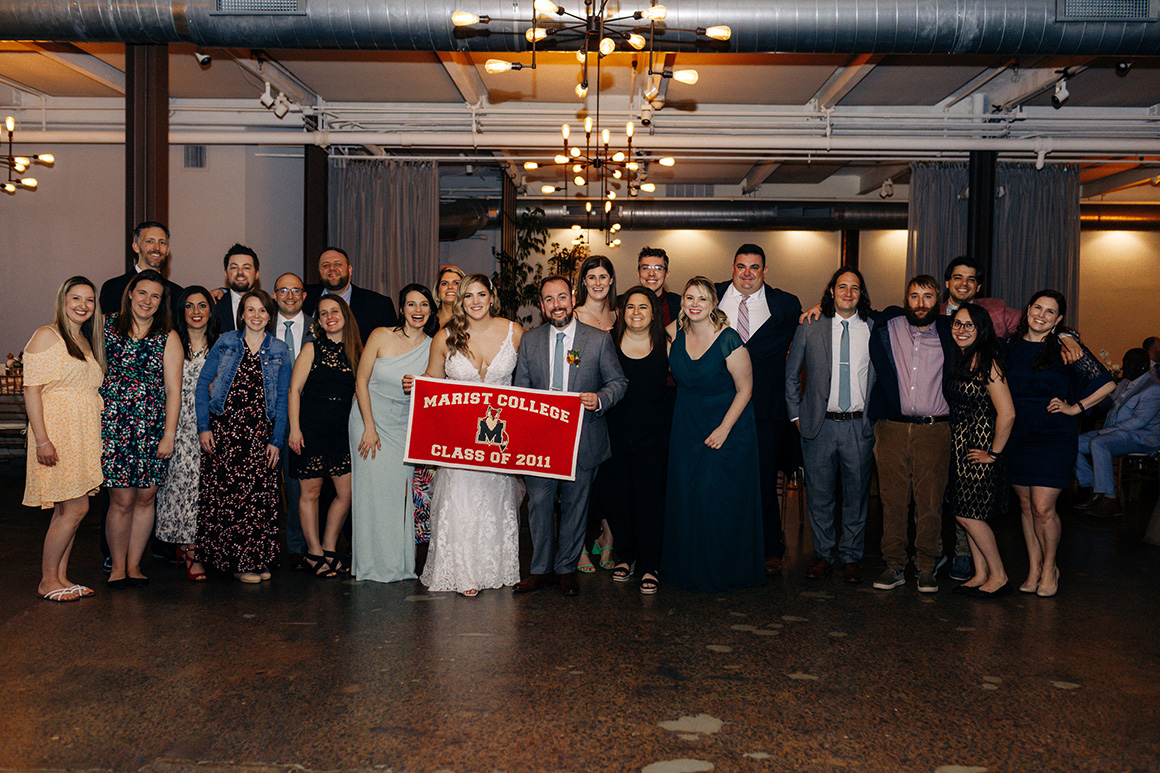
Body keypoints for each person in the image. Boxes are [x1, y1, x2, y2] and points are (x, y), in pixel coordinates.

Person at [512, 275, 628, 597]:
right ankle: (540, 570)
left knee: (576, 506)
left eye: (561, 297)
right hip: (540, 442)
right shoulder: (531, 341)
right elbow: (520, 390)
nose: (556, 305)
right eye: (549, 300)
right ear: (541, 305)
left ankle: (565, 569)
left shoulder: (598, 340)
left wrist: (600, 399)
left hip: (583, 437)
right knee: (539, 504)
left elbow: (618, 382)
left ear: (572, 298)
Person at [413, 274, 525, 597]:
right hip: (459, 438)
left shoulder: (514, 332)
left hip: (498, 438)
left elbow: (529, 381)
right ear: (460, 301)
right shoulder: (445, 337)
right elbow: (432, 381)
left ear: (492, 297)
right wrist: (416, 385)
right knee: (460, 498)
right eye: (467, 296)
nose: (475, 301)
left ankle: (497, 567)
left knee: (495, 499)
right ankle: (463, 573)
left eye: (481, 294)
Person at [1005, 289, 1114, 598]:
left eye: (1050, 312)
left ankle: (1051, 566)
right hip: (1018, 433)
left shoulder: (1067, 348)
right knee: (1026, 506)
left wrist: (1075, 408)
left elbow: (1106, 383)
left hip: (1053, 435)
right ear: (1027, 310)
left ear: (1059, 319)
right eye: (1037, 307)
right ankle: (1034, 567)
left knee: (1043, 507)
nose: (1041, 314)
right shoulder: (1010, 346)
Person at [661, 277, 764, 592]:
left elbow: (745, 389)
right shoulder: (672, 334)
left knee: (714, 499)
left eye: (702, 299)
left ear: (713, 304)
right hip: (686, 426)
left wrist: (723, 429)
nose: (694, 304)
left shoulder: (729, 338)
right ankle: (688, 570)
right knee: (686, 495)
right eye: (689, 298)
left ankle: (721, 571)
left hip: (726, 427)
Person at [715, 244, 802, 576]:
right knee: (721, 478)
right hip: (719, 405)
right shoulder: (712, 295)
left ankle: (769, 548)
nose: (747, 273)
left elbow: (806, 326)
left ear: (765, 271)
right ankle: (723, 543)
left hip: (766, 408)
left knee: (764, 480)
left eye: (754, 267)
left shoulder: (786, 304)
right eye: (741, 266)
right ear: (732, 268)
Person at [868, 275, 958, 594]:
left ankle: (926, 566)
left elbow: (998, 332)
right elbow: (848, 307)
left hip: (936, 429)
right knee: (892, 501)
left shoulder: (952, 331)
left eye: (928, 297)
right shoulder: (888, 325)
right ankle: (894, 565)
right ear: (905, 300)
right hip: (891, 427)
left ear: (939, 300)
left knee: (930, 503)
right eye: (914, 296)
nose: (920, 303)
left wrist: (1066, 334)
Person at [195, 289, 293, 584]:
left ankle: (256, 559)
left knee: (259, 502)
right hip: (225, 433)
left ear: (269, 316)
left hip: (259, 435)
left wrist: (276, 440)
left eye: (262, 310)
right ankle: (238, 564)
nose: (256, 316)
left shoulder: (279, 350)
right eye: (250, 310)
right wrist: (204, 427)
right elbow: (202, 386)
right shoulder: (225, 342)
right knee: (230, 499)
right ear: (242, 314)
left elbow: (283, 400)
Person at [785, 267, 875, 584]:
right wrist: (796, 415)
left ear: (861, 293)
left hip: (858, 427)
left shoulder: (875, 328)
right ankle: (824, 555)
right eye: (842, 286)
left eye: (855, 287)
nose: (848, 292)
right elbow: (791, 374)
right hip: (818, 426)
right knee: (819, 496)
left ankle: (850, 556)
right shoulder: (811, 326)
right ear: (832, 291)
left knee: (856, 497)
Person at [23, 276, 106, 602]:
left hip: (83, 434)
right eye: (76, 298)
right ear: (63, 300)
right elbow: (31, 389)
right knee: (75, 508)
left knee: (67, 510)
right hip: (57, 432)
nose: (83, 305)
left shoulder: (84, 340)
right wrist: (42, 440)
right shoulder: (47, 335)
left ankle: (60, 577)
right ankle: (47, 580)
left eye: (89, 300)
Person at [350, 284, 438, 583]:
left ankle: (400, 565)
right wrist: (370, 428)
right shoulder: (380, 335)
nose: (417, 310)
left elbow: (435, 390)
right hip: (368, 420)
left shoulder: (433, 345)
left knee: (400, 496)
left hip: (403, 425)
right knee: (371, 493)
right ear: (401, 308)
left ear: (431, 309)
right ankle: (370, 565)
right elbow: (361, 382)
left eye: (424, 304)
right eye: (411, 304)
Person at [100, 269, 183, 589]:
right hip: (115, 426)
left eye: (155, 296)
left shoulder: (168, 336)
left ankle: (135, 566)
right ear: (130, 294)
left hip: (153, 427)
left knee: (146, 499)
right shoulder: (106, 327)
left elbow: (173, 390)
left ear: (161, 302)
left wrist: (169, 434)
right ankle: (117, 567)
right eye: (143, 293)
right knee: (121, 500)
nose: (148, 300)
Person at [603, 287, 671, 594]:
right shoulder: (608, 343)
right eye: (630, 306)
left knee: (649, 502)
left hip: (654, 437)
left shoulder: (667, 345)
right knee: (617, 499)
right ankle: (626, 556)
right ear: (621, 312)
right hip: (613, 435)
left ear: (654, 313)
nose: (637, 312)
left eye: (644, 307)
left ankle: (649, 564)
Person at [287, 295, 361, 577]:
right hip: (311, 430)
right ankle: (314, 552)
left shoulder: (358, 351)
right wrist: (295, 429)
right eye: (323, 313)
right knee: (311, 493)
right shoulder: (311, 349)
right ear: (318, 321)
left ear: (345, 314)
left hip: (343, 433)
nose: (330, 316)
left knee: (346, 493)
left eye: (335, 311)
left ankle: (330, 547)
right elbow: (295, 390)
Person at [945, 304, 1016, 598]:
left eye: (969, 325)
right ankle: (980, 573)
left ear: (982, 329)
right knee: (965, 513)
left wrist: (994, 454)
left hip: (979, 448)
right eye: (957, 324)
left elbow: (1008, 413)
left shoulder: (989, 362)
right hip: (961, 447)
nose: (961, 330)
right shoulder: (962, 358)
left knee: (970, 515)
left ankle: (999, 576)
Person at [154, 286, 219, 582]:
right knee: (181, 489)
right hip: (178, 426)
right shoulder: (171, 341)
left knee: (207, 491)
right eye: (189, 306)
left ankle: (205, 547)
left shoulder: (222, 345)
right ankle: (188, 549)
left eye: (202, 305)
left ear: (210, 311)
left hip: (210, 427)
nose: (196, 312)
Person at [1073, 348, 1160, 517]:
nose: (1125, 366)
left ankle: (1110, 500)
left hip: (1142, 437)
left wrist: (1105, 431)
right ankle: (1093, 487)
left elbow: (1138, 422)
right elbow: (1109, 404)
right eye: (1124, 361)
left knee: (1099, 443)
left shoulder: (1154, 388)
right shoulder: (1124, 383)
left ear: (1143, 365)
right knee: (1071, 442)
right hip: (1116, 433)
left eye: (1130, 362)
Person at [574, 255, 617, 573]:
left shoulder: (623, 314)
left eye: (604, 277)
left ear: (611, 281)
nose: (598, 283)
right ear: (583, 282)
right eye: (592, 277)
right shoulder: (574, 316)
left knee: (612, 480)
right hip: (582, 408)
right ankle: (578, 547)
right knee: (581, 482)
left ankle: (608, 536)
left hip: (617, 405)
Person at [272, 272, 313, 564]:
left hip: (305, 419)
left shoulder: (319, 326)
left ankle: (298, 549)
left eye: (295, 290)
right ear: (274, 295)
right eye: (283, 290)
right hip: (266, 418)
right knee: (262, 487)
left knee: (300, 486)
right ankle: (262, 549)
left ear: (304, 296)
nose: (289, 296)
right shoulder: (258, 323)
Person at [303, 247, 397, 343]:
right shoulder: (302, 298)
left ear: (350, 269)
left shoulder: (379, 305)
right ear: (319, 272)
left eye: (338, 264)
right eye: (325, 265)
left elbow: (391, 345)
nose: (332, 268)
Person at [99, 221, 182, 317]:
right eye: (150, 241)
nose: (157, 248)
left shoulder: (177, 293)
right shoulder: (113, 288)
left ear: (167, 250)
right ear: (136, 247)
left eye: (162, 242)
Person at [212, 244, 260, 333]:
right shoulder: (213, 305)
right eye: (234, 268)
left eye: (246, 268)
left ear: (256, 274)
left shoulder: (269, 305)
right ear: (226, 274)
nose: (240, 272)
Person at [636, 247, 681, 326]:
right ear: (638, 274)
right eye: (645, 268)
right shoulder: (621, 304)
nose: (651, 273)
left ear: (666, 275)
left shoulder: (680, 305)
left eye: (658, 268)